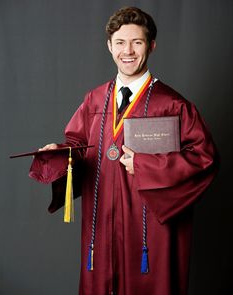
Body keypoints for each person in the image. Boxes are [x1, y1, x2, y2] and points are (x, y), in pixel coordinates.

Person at [30, 6, 219, 295]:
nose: (127, 51)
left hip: (150, 233)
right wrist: (59, 154)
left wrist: (145, 166)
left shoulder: (171, 105)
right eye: (120, 42)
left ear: (151, 46)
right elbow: (78, 150)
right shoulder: (94, 101)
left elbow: (204, 159)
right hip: (102, 226)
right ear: (109, 46)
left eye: (137, 42)